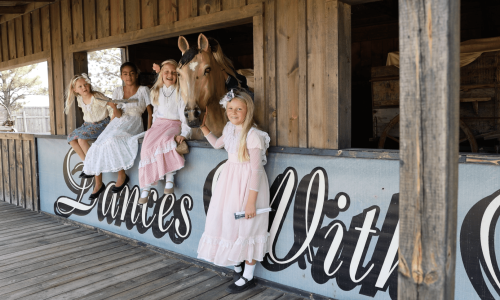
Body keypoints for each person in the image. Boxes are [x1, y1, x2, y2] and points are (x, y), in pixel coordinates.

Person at [197, 88, 271, 293]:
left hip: (248, 184)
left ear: (248, 110)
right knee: (229, 222)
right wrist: (203, 128)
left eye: (239, 108)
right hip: (229, 182)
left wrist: (251, 201)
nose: (234, 112)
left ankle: (248, 275)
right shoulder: (230, 129)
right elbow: (217, 144)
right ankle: (236, 263)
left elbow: (256, 171)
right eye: (230, 108)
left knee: (248, 226)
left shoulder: (254, 135)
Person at [83, 62, 153, 199]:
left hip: (133, 121)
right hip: (117, 122)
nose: (129, 76)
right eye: (125, 74)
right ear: (121, 76)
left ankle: (122, 175)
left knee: (112, 140)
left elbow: (150, 112)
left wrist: (149, 131)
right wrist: (114, 108)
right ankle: (98, 183)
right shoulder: (117, 91)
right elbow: (118, 114)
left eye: (132, 73)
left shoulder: (143, 90)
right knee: (98, 143)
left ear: (136, 75)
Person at [138, 59, 191, 204]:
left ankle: (170, 178)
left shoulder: (180, 92)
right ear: (161, 74)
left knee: (166, 140)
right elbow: (155, 114)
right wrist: (153, 129)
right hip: (158, 125)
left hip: (174, 124)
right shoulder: (155, 91)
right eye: (166, 72)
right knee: (147, 146)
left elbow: (183, 115)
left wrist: (184, 133)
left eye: (174, 72)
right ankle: (146, 186)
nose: (170, 74)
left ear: (178, 75)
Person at [65, 74, 120, 178]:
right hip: (88, 125)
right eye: (80, 86)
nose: (84, 87)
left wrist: (111, 124)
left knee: (81, 139)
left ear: (89, 84)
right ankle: (86, 163)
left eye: (85, 84)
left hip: (101, 124)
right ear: (75, 90)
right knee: (71, 138)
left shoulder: (96, 97)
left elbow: (112, 106)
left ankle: (92, 164)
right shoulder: (80, 99)